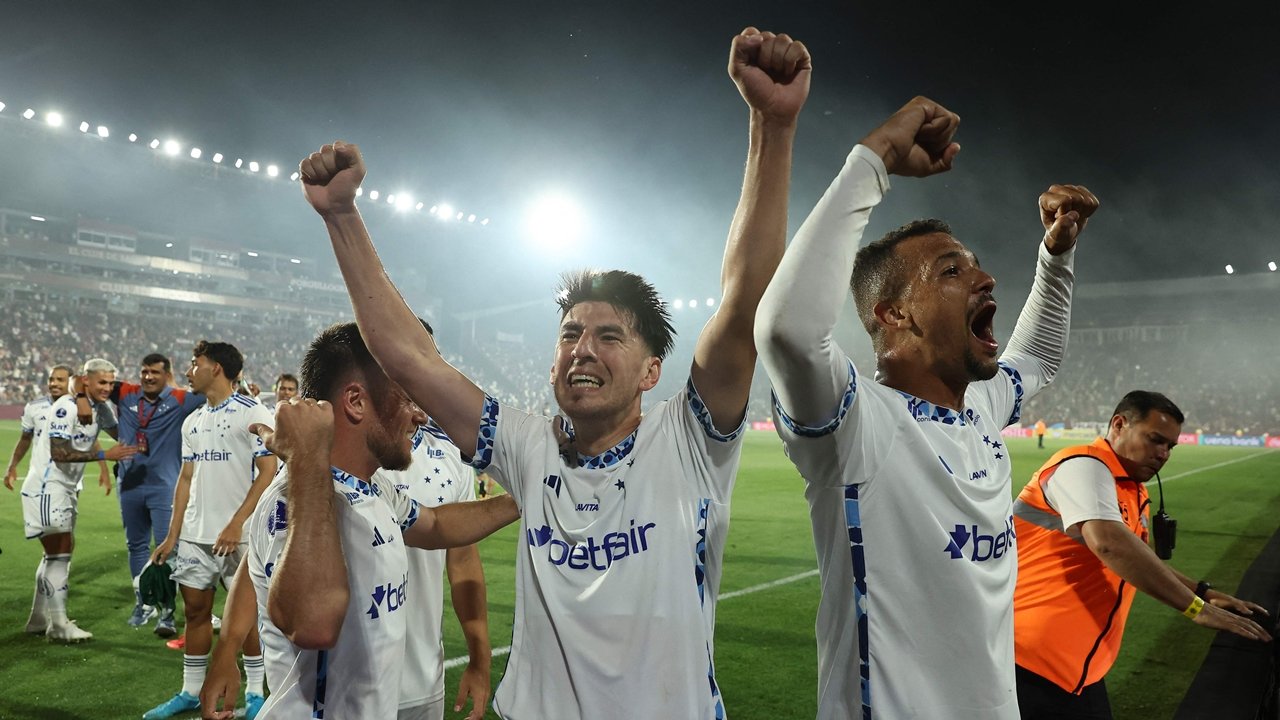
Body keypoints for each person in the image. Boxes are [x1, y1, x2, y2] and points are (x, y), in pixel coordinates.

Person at [302, 26, 809, 718]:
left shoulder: (691, 442)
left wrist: (771, 126)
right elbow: (409, 358)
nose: (581, 349)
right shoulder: (525, 445)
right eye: (569, 334)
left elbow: (746, 301)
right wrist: (342, 216)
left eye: (609, 336)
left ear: (654, 369)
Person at [754, 95, 1099, 718]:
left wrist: (1056, 257)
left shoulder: (980, 405)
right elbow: (786, 330)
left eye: (976, 266)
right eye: (951, 271)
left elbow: (1039, 357)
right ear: (895, 314)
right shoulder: (858, 422)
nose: (984, 278)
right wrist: (876, 158)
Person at [198, 322, 519, 720]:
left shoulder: (373, 488)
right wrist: (305, 460)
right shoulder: (289, 502)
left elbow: (437, 525)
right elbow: (314, 624)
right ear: (356, 401)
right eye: (407, 398)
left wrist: (525, 494)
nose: (420, 415)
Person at [1013, 390, 1272, 719]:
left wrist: (1204, 591)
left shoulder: (1133, 489)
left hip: (1077, 664)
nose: (1164, 454)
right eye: (1155, 440)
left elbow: (1137, 556)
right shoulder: (1083, 466)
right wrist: (1197, 609)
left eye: (1170, 446)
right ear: (1119, 425)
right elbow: (1108, 542)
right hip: (1031, 659)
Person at [142, 342, 277, 720]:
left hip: (242, 536)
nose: (187, 370)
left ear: (216, 368)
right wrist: (172, 535)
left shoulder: (253, 413)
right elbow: (186, 479)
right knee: (196, 613)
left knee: (245, 618)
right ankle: (189, 691)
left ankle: (254, 693)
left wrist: (236, 523)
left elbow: (269, 472)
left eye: (194, 363)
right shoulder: (193, 421)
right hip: (195, 536)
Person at [374, 322, 491, 720]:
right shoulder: (332, 450)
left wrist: (479, 655)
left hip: (422, 680)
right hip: (339, 683)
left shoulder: (450, 460)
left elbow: (462, 562)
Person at [75, 353, 205, 632]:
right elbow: (82, 378)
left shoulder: (182, 399)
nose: (147, 377)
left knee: (166, 550)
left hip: (164, 487)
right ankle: (142, 602)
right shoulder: (126, 392)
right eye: (144, 371)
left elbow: (216, 394)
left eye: (154, 373)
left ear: (167, 375)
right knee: (136, 546)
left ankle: (167, 613)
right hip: (130, 485)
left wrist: (241, 385)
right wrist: (81, 398)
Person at [18, 359, 138, 641]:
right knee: (59, 554)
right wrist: (103, 456)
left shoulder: (100, 408)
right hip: (48, 486)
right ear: (86, 381)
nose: (107, 388)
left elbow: (122, 434)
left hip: (65, 489)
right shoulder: (66, 407)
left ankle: (39, 620)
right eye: (102, 383)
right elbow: (59, 453)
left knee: (57, 554)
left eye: (111, 383)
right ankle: (58, 626)